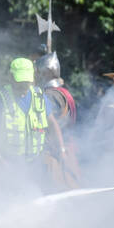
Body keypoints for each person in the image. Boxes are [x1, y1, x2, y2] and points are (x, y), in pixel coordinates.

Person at [0, 58, 67, 187]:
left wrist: (62, 150)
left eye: (27, 82)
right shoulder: (1, 97)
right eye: (20, 82)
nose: (23, 86)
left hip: (35, 163)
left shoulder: (39, 96)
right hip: (9, 163)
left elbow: (53, 124)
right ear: (11, 77)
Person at [34, 51, 80, 187]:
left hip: (55, 152)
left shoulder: (50, 95)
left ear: (47, 72)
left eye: (40, 71)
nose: (38, 75)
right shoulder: (64, 92)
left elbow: (51, 126)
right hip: (67, 147)